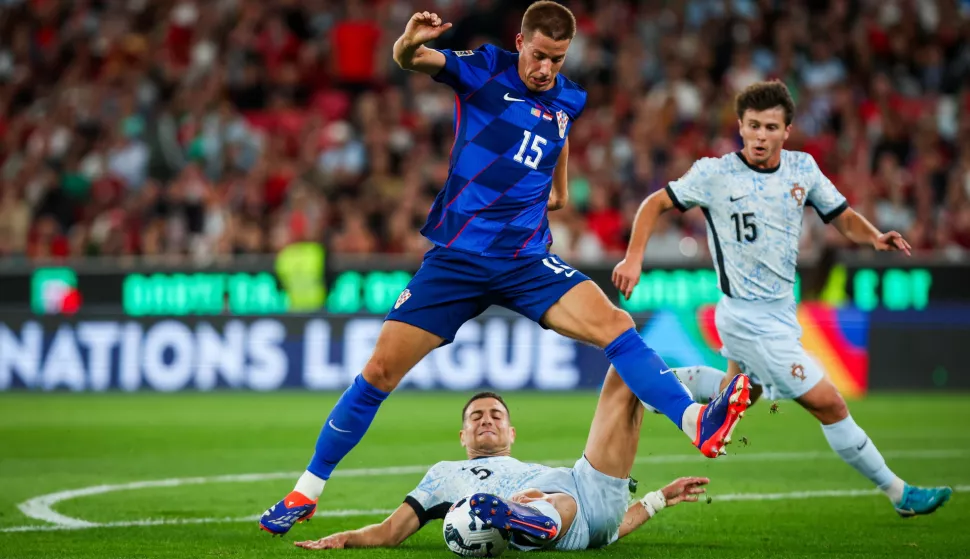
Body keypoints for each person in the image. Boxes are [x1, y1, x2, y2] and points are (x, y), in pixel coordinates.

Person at [260, 2, 750, 536]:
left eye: (557, 60)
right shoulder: (484, 69)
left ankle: (695, 421)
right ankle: (306, 491)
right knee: (379, 371)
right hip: (457, 259)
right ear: (521, 42)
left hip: (525, 261)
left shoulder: (567, 99)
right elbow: (411, 60)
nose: (545, 69)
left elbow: (558, 189)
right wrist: (407, 42)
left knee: (618, 326)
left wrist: (537, 195)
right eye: (539, 55)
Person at [611, 80, 952, 518]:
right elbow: (655, 203)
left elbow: (841, 215)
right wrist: (634, 258)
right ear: (740, 126)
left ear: (786, 130)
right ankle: (899, 492)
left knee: (740, 393)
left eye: (770, 127)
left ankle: (652, 381)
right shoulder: (715, 173)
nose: (759, 136)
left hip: (780, 314)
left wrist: (873, 237)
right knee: (830, 403)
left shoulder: (802, 170)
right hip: (745, 318)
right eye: (752, 126)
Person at [293, 367, 721, 551]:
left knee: (623, 368)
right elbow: (390, 532)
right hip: (560, 514)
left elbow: (609, 528)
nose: (486, 421)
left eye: (496, 415)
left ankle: (714, 397)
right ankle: (527, 517)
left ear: (511, 434)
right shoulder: (442, 476)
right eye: (476, 417)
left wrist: (656, 500)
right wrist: (346, 537)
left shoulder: (528, 468)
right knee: (549, 499)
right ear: (462, 435)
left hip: (589, 490)